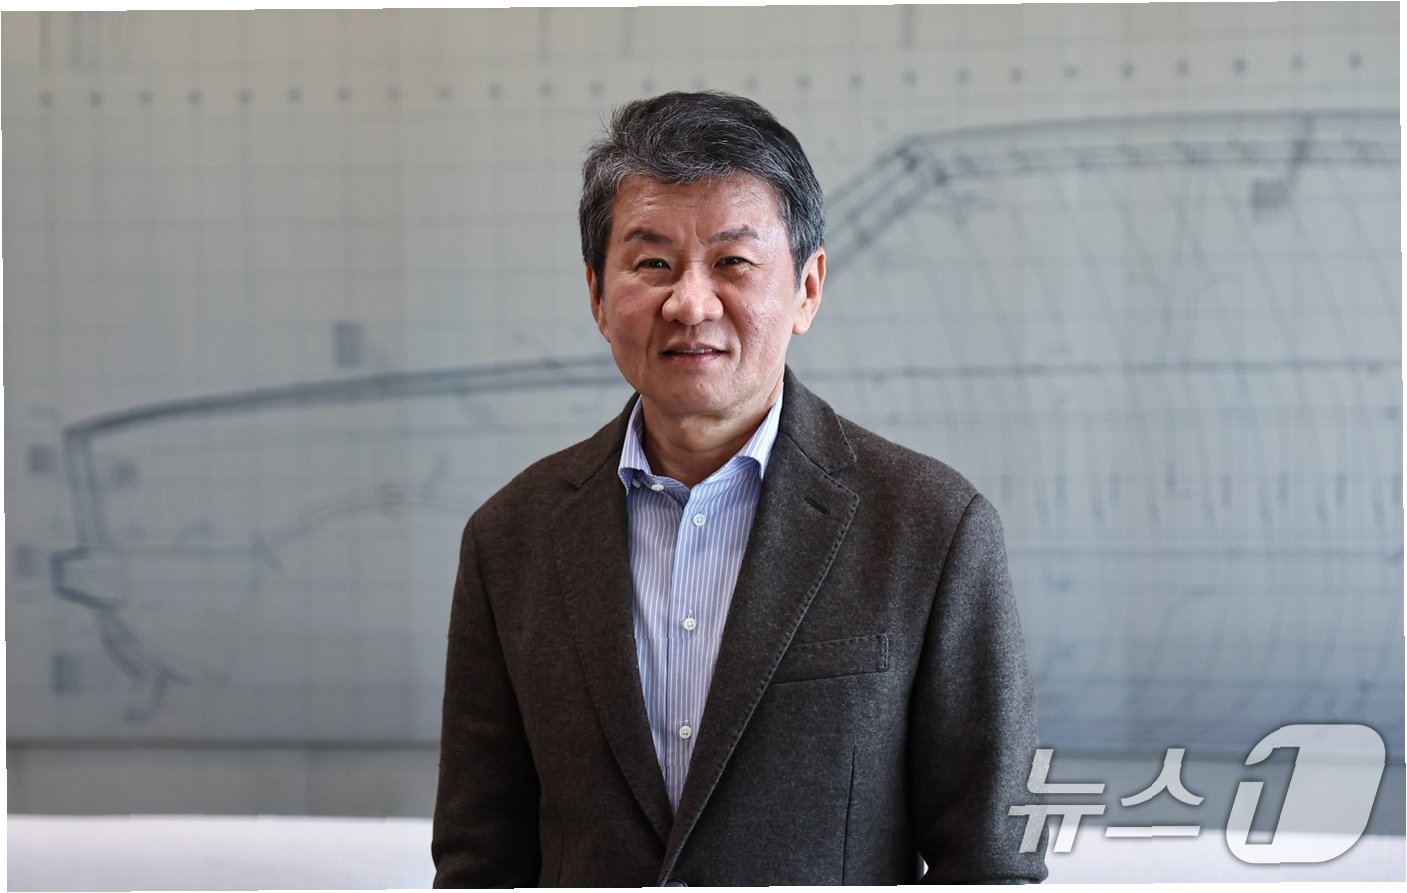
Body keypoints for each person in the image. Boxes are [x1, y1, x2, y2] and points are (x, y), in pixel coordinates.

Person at [432, 91, 1047, 886]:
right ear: (596, 295)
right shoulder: (510, 538)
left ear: (806, 289)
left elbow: (992, 862)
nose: (690, 303)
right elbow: (481, 862)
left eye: (732, 262)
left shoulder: (930, 527)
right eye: (652, 263)